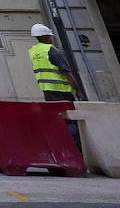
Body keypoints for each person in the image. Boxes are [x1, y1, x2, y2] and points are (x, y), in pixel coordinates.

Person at [29, 22, 85, 151]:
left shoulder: (33, 52)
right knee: (70, 121)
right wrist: (78, 91)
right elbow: (67, 72)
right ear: (47, 37)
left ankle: (62, 148)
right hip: (62, 93)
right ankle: (76, 151)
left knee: (56, 121)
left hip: (48, 93)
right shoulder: (51, 50)